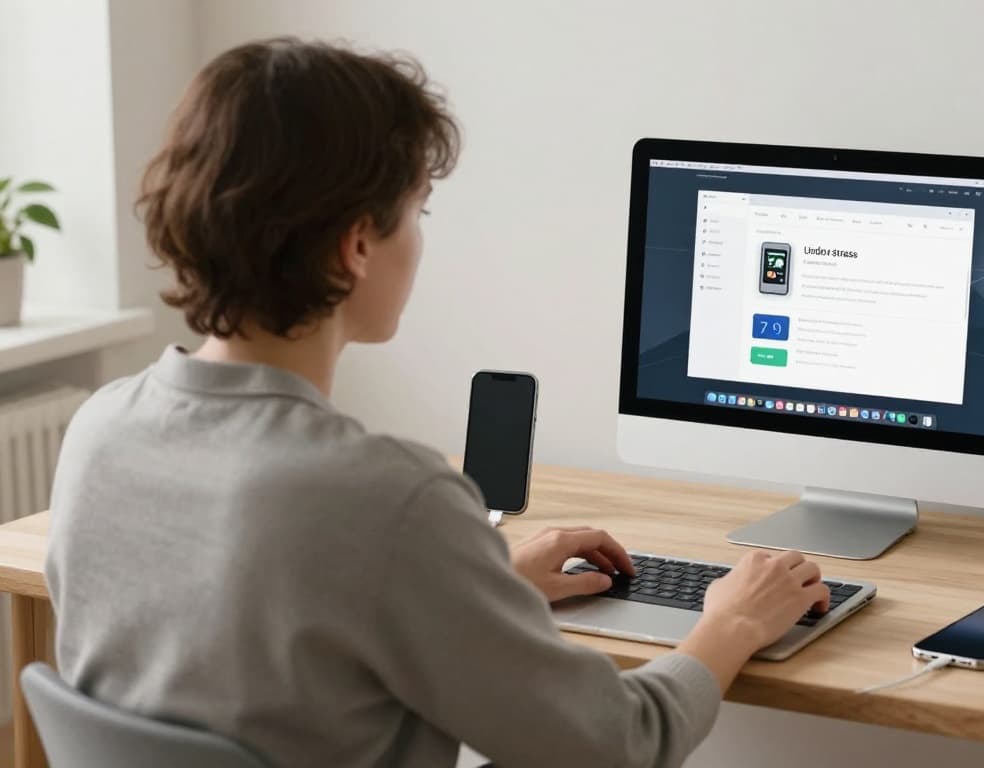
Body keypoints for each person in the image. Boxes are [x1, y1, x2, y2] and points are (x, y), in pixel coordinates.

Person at [44, 37, 830, 768]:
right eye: (418, 212)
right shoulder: (389, 498)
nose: (419, 241)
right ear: (357, 245)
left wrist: (475, 591)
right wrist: (729, 625)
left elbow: (265, 640)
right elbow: (621, 744)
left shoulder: (101, 430)